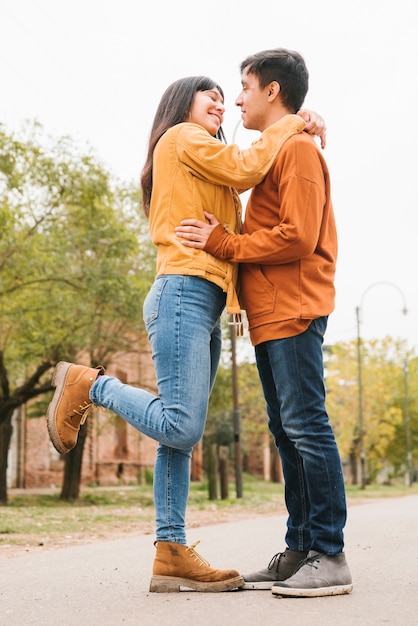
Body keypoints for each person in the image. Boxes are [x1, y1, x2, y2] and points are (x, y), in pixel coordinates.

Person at [46, 73, 325, 593]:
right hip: (183, 292)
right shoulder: (182, 137)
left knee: (175, 437)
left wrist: (298, 122)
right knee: (180, 425)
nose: (222, 102)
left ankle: (171, 552)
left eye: (227, 95)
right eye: (211, 95)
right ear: (182, 104)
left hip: (205, 299)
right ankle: (90, 384)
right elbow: (248, 165)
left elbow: (237, 207)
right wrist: (293, 122)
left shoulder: (204, 158)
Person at [175, 48, 353, 598]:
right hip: (271, 314)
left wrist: (223, 242)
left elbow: (297, 236)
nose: (239, 99)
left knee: (306, 425)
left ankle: (330, 552)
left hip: (295, 306)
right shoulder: (277, 149)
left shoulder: (297, 150)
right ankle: (300, 547)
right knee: (285, 430)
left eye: (245, 87)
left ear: (272, 91)